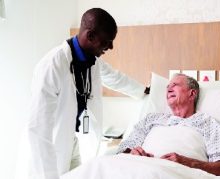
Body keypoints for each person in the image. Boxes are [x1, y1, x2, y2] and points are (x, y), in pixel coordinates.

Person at [18, 8, 148, 179]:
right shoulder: (53, 66)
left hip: (70, 141)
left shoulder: (91, 60)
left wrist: (144, 91)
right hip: (47, 148)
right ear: (91, 36)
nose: (111, 47)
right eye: (107, 41)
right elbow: (38, 129)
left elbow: (115, 78)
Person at [117, 74, 220, 178]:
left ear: (192, 94)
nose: (169, 89)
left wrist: (188, 162)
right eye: (168, 87)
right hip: (136, 168)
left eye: (175, 85)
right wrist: (132, 153)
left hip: (176, 173)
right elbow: (124, 151)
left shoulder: (208, 123)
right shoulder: (151, 119)